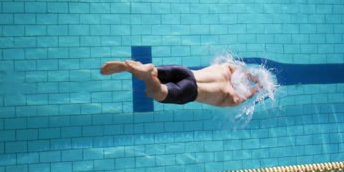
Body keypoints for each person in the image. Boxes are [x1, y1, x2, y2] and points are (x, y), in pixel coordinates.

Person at [100, 60, 262, 107]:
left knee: (157, 72)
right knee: (157, 93)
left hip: (185, 71)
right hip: (190, 91)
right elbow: (242, 98)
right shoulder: (231, 96)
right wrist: (257, 89)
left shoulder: (226, 68)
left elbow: (239, 70)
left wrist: (253, 78)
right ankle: (148, 77)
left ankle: (136, 68)